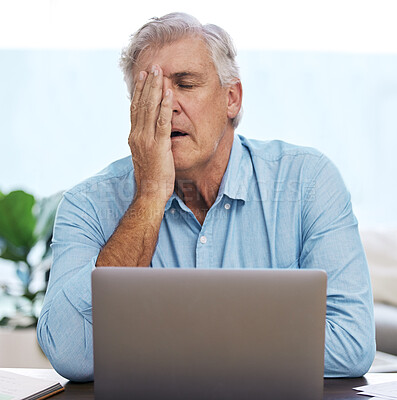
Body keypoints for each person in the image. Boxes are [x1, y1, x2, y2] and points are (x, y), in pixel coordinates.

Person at [37, 12, 375, 382]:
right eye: (149, 92)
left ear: (231, 98)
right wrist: (150, 196)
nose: (168, 107)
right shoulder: (87, 203)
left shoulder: (308, 182)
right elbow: (72, 354)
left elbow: (351, 342)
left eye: (185, 83)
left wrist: (168, 346)